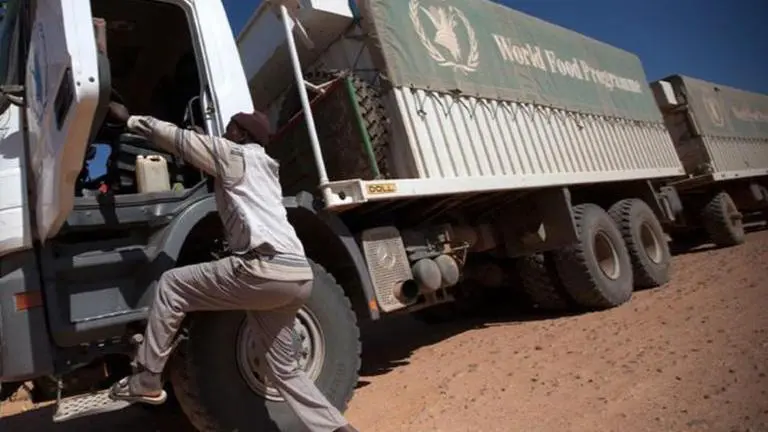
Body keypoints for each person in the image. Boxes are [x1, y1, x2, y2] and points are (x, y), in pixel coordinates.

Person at [104, 102, 359, 432]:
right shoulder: (266, 168)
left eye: (229, 130)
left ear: (240, 134)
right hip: (298, 274)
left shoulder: (232, 154)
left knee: (172, 286)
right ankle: (337, 428)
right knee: (285, 369)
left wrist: (131, 120)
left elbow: (176, 139)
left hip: (263, 269)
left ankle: (148, 379)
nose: (223, 134)